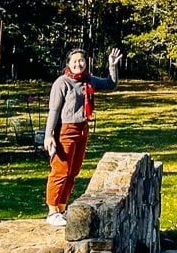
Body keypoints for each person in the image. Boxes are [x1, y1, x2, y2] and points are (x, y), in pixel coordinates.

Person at [43, 47, 121, 226]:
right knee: (60, 171)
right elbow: (54, 111)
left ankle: (62, 208)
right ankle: (52, 210)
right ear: (68, 64)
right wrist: (49, 136)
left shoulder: (89, 80)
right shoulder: (62, 83)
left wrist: (112, 66)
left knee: (73, 172)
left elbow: (111, 84)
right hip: (65, 131)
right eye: (75, 61)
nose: (78, 64)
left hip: (82, 129)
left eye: (82, 61)